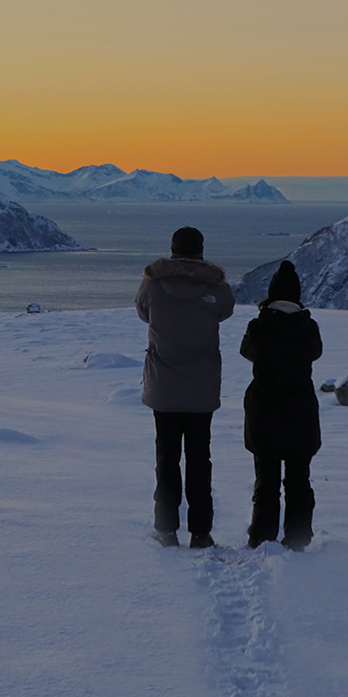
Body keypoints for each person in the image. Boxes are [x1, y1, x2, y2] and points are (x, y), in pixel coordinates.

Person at [136, 227, 235, 548]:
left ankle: (166, 529)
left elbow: (143, 312)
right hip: (201, 386)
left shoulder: (152, 284)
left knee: (166, 459)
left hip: (163, 387)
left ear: (173, 248)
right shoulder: (216, 287)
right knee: (199, 459)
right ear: (200, 250)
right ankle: (201, 532)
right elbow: (225, 310)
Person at [239, 260, 323, 551]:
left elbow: (246, 351)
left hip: (265, 411)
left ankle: (262, 536)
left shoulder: (259, 326)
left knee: (266, 479)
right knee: (299, 478)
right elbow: (315, 352)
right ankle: (298, 536)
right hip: (301, 412)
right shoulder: (308, 327)